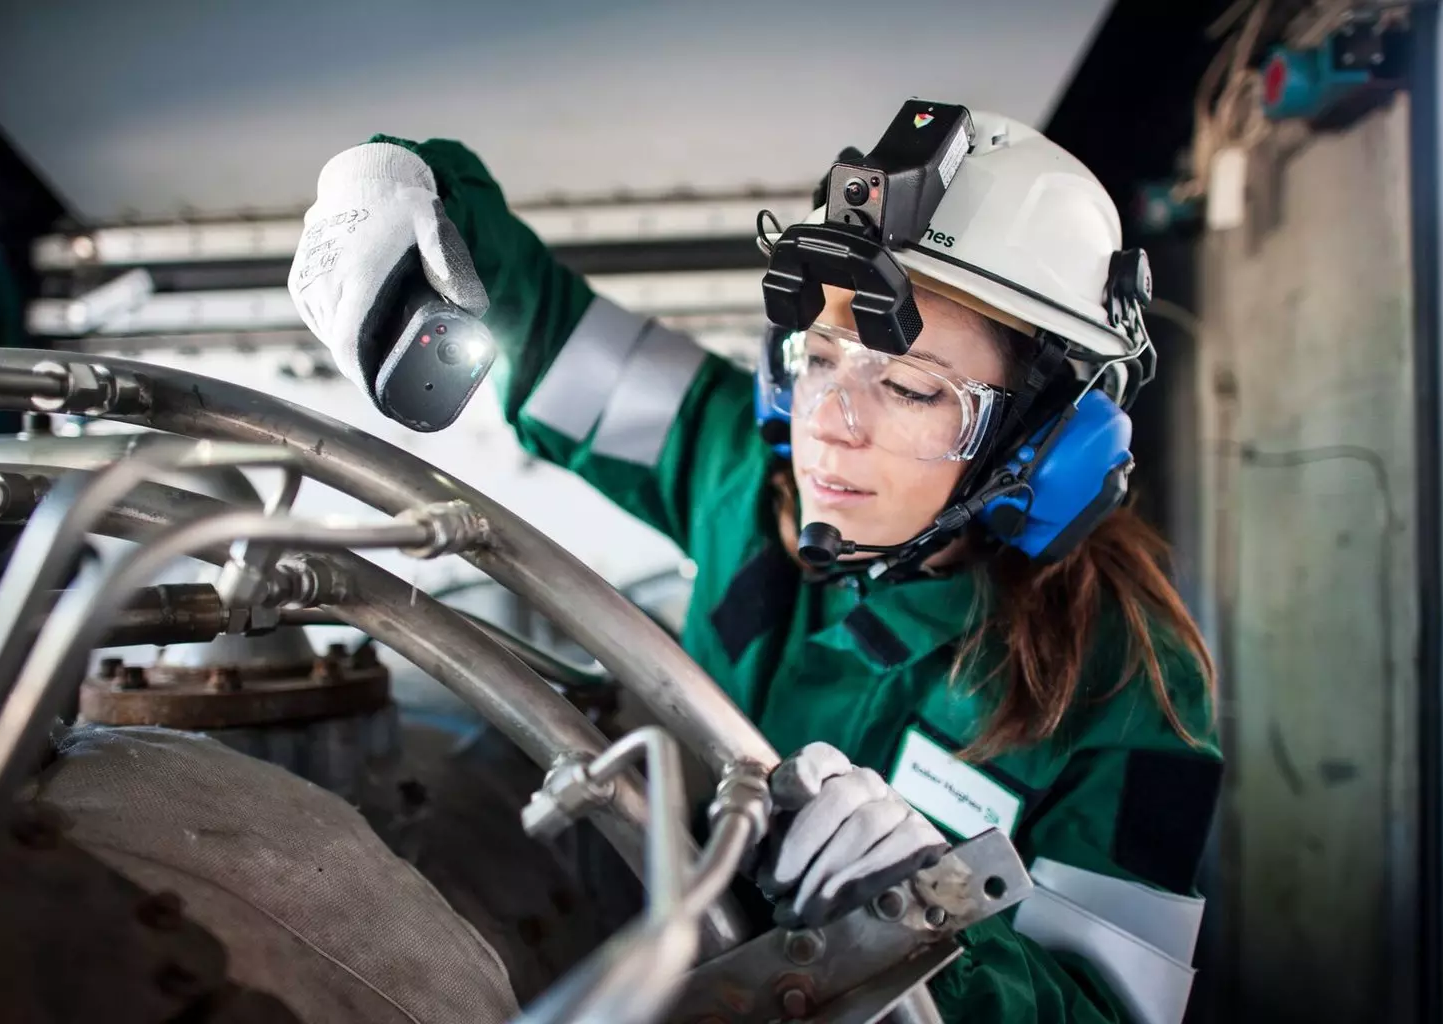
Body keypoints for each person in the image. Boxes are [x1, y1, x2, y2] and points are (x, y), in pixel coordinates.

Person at [287, 107, 1222, 1023]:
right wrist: (405, 187)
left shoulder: (1132, 688)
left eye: (905, 387)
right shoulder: (743, 466)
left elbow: (1111, 1010)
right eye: (818, 358)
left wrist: (931, 928)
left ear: (1048, 437)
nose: (829, 426)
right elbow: (538, 315)